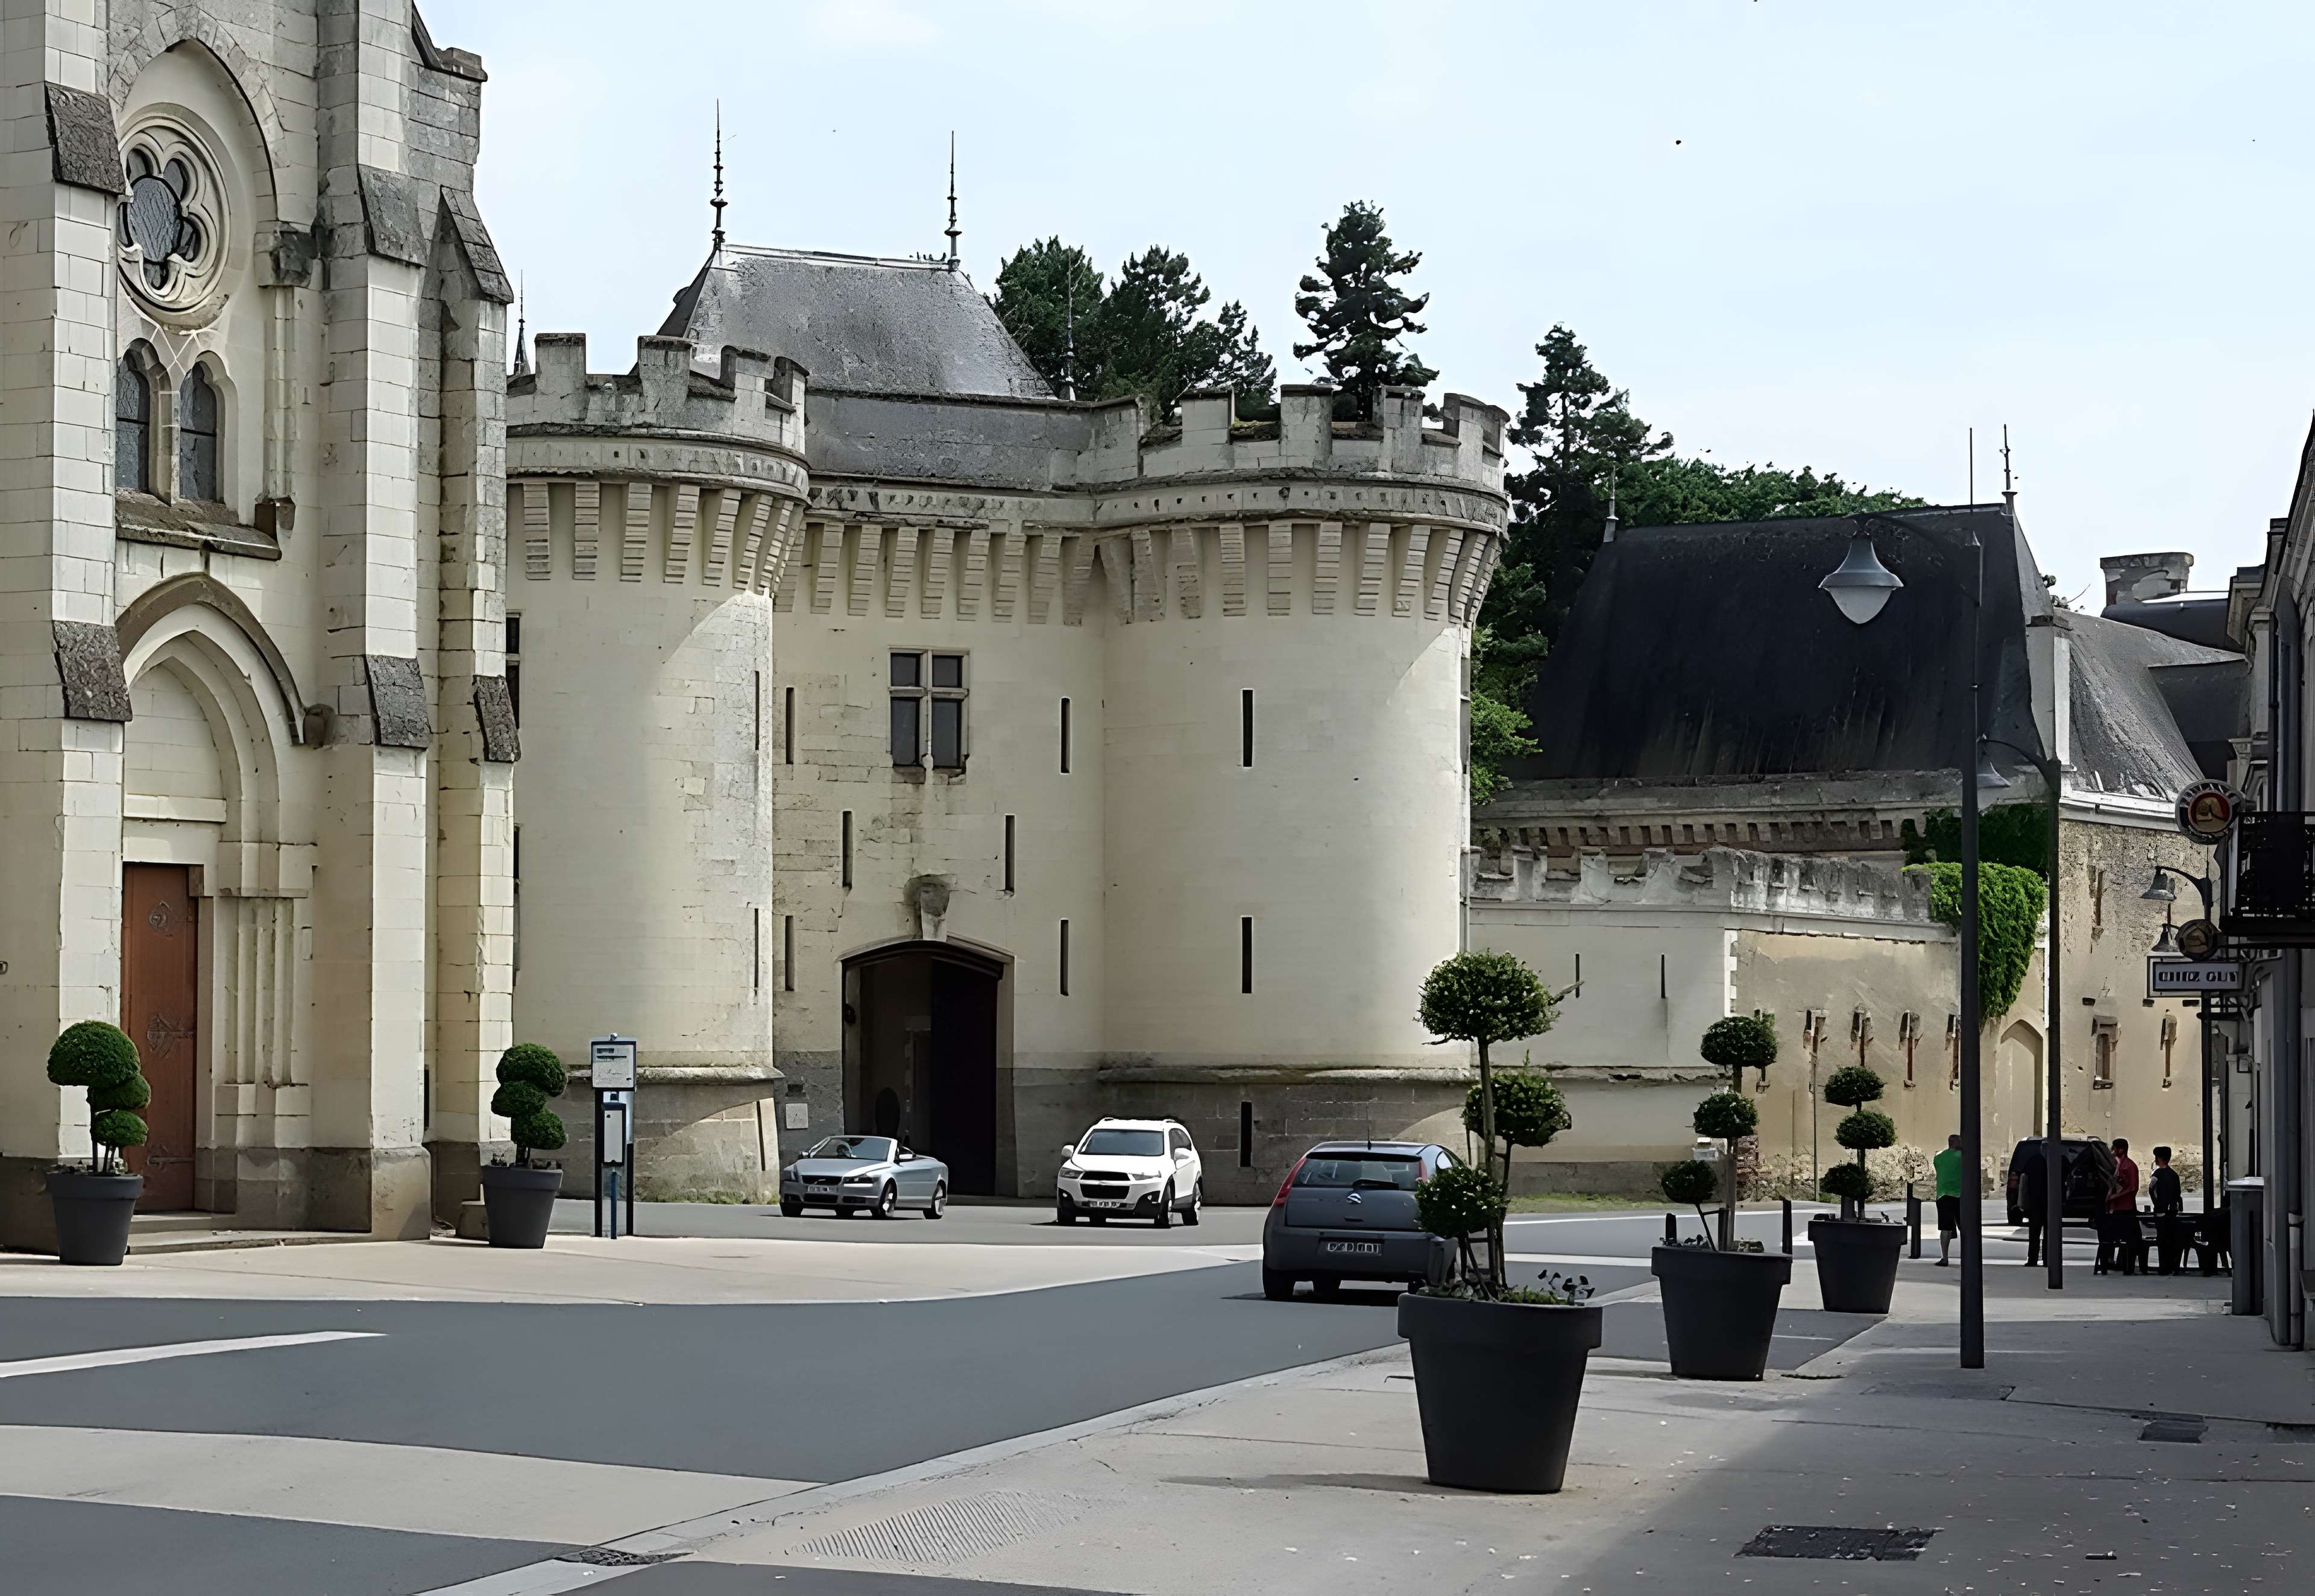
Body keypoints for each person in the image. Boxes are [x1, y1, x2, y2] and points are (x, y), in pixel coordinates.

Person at [2097, 1137, 2141, 1275]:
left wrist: (2115, 1196)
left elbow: (2133, 1187)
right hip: (2116, 1208)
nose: (2114, 1152)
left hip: (2126, 1208)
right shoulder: (2117, 1166)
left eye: (2116, 1149)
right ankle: (2117, 1262)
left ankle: (2126, 1264)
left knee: (2131, 1238)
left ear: (2121, 1150)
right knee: (2117, 1237)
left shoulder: (2130, 1166)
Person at [1932, 1133, 1964, 1267]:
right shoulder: (1962, 1157)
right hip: (1959, 1196)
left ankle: (1945, 1258)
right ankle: (1968, 1255)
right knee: (1966, 1227)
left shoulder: (1938, 1158)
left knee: (1946, 1228)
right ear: (1958, 1143)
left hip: (1942, 1195)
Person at [2020, 1143, 2050, 1268]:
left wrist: (2023, 1201)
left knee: (2034, 1233)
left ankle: (2033, 1260)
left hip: (2035, 1202)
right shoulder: (2058, 1160)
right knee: (2050, 1233)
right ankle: (2048, 1260)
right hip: (2050, 1203)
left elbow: (2024, 1182)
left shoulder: (2033, 1161)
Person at [2150, 1145, 2184, 1217]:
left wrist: (2157, 1205)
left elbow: (2152, 1191)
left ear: (2159, 1158)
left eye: (2156, 1157)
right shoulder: (2174, 1174)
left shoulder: (2156, 1174)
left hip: (2160, 1210)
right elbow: (2178, 1193)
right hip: (2173, 1211)